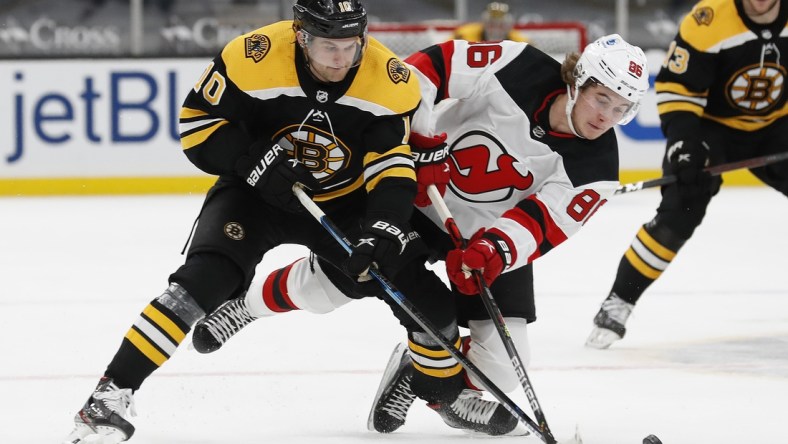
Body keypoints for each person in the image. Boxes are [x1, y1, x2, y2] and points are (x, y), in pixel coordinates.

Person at [192, 34, 650, 435]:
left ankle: (418, 374)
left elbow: (543, 222)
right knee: (338, 283)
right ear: (577, 81)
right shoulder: (519, 63)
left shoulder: (598, 171)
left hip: (485, 238)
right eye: (601, 99)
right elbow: (423, 72)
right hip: (415, 194)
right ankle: (247, 307)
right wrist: (424, 141)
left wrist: (494, 251)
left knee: (505, 370)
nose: (605, 116)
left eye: (620, 108)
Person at [63, 1, 439, 442]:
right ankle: (108, 397)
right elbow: (196, 125)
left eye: (351, 45)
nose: (341, 59)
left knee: (421, 298)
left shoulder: (391, 82)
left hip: (342, 205)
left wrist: (384, 227)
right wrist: (251, 160)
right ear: (302, 37)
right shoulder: (253, 56)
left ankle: (446, 394)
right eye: (327, 46)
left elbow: (392, 170)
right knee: (201, 282)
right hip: (254, 193)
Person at [585, 0, 787, 350]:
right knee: (681, 209)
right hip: (711, 127)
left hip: (778, 124)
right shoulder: (707, 19)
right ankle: (619, 301)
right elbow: (678, 88)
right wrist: (683, 142)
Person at [452, 2, 528, 42]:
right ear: (483, 23)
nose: (496, 30)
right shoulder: (463, 35)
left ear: (509, 26)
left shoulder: (521, 42)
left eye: (501, 25)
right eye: (491, 24)